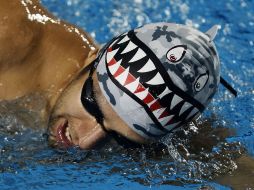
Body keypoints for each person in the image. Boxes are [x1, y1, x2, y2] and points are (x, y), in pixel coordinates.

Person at [0, 1, 236, 149]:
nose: (85, 141)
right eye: (93, 105)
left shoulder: (147, 134)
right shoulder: (10, 34)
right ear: (97, 57)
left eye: (120, 138)